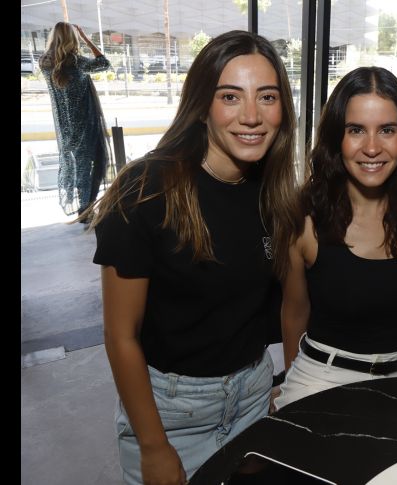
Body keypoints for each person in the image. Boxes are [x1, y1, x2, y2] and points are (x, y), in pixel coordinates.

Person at [87, 31, 300, 484]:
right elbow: (120, 335)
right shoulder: (145, 190)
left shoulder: (275, 190)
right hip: (171, 412)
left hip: (254, 395)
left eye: (267, 97)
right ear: (202, 105)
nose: (251, 116)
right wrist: (153, 445)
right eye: (230, 96)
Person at [275, 66, 397, 409]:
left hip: (396, 380)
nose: (372, 147)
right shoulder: (304, 217)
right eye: (356, 130)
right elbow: (293, 313)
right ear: (337, 138)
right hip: (320, 378)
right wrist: (292, 386)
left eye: (387, 130)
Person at [39, 22, 112, 218]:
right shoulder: (77, 62)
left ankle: (83, 207)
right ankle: (85, 209)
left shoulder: (44, 62)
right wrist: (87, 40)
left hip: (64, 125)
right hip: (85, 123)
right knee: (92, 164)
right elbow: (105, 63)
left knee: (78, 165)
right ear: (73, 38)